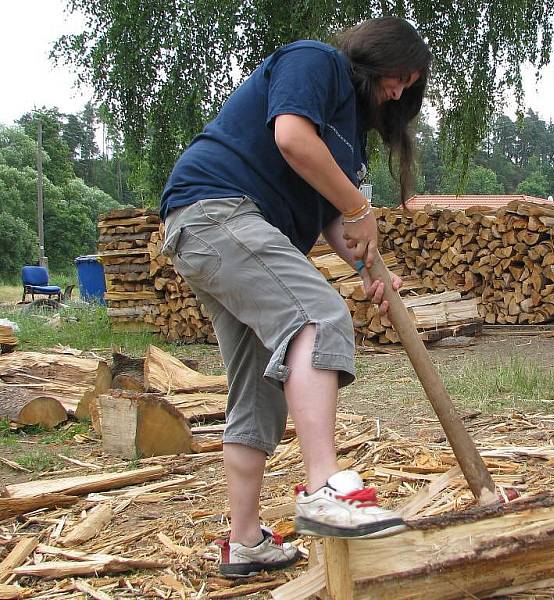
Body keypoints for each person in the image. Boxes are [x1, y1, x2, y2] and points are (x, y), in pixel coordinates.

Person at [159, 17, 431, 578]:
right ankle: (325, 488)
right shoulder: (317, 61)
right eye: (397, 75)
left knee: (259, 390)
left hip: (226, 233)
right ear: (374, 55)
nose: (399, 90)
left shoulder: (348, 137)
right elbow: (290, 138)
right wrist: (360, 207)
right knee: (317, 316)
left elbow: (334, 216)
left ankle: (245, 542)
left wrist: (367, 268)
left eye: (409, 85)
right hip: (216, 211)